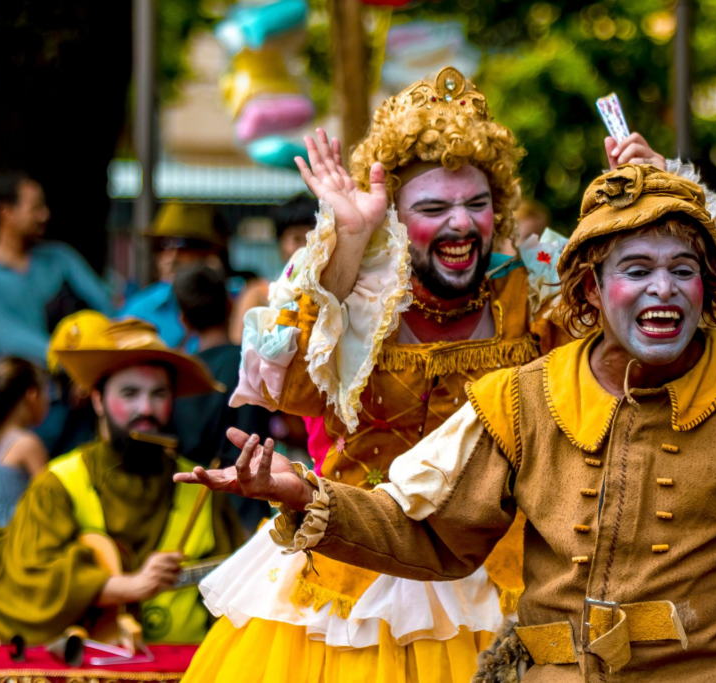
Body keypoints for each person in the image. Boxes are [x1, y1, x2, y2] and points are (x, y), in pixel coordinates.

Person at [181, 162, 716, 681]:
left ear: (711, 288)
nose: (661, 290)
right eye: (635, 269)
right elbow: (428, 532)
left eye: (683, 269)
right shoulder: (523, 397)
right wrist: (302, 494)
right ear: (591, 291)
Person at [180, 66, 662, 683]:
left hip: (506, 577)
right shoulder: (351, 295)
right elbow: (290, 386)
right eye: (434, 207)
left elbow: (641, 359)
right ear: (395, 217)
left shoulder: (536, 293)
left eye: (478, 204)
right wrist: (348, 245)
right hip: (351, 567)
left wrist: (651, 208)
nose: (461, 225)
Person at [0, 311, 244, 646]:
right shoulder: (56, 484)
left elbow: (238, 589)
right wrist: (126, 587)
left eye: (159, 394)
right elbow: (30, 576)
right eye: (129, 393)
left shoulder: (203, 484)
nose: (146, 408)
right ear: (97, 400)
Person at [0, 171, 113, 366]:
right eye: (35, 208)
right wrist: (69, 359)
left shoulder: (61, 258)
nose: (44, 215)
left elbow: (105, 304)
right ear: (6, 212)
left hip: (77, 380)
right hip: (20, 383)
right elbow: (7, 336)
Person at [172, 264, 272, 535]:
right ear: (230, 305)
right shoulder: (255, 363)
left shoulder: (178, 377)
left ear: (184, 320)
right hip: (254, 506)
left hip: (199, 514)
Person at [120, 203, 227, 349]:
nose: (172, 256)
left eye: (183, 244)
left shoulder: (238, 304)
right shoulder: (137, 312)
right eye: (163, 244)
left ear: (209, 252)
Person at [0, 357, 49, 529]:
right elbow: (49, 500)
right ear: (32, 395)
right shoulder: (27, 444)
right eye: (47, 391)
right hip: (19, 538)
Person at [229, 194, 319, 344]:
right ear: (279, 244)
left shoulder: (333, 292)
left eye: (312, 238)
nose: (304, 248)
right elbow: (239, 344)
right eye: (296, 239)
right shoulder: (258, 294)